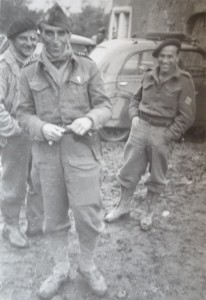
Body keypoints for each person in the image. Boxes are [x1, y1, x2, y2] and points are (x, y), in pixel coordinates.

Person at [17, 3, 112, 299]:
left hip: (83, 154)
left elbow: (106, 106)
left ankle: (86, 265)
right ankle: (60, 268)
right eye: (48, 33)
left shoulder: (88, 67)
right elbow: (22, 112)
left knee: (88, 216)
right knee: (53, 219)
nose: (55, 40)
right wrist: (40, 127)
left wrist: (89, 119)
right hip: (46, 159)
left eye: (61, 33)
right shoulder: (29, 71)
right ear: (40, 35)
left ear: (69, 34)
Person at [105, 38, 196, 230]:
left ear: (177, 57)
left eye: (170, 56)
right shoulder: (148, 75)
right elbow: (134, 99)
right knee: (129, 170)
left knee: (156, 176)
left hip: (163, 133)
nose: (165, 60)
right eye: (162, 56)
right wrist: (134, 117)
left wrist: (169, 135)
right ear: (157, 58)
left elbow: (187, 116)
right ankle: (123, 207)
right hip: (141, 128)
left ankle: (148, 212)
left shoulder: (184, 81)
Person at [0, 18, 44, 249]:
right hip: (15, 135)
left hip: (36, 131)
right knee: (13, 182)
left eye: (33, 39)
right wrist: (16, 129)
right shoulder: (3, 67)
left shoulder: (38, 63)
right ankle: (10, 226)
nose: (29, 43)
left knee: (38, 178)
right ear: (12, 39)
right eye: (24, 39)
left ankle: (35, 224)